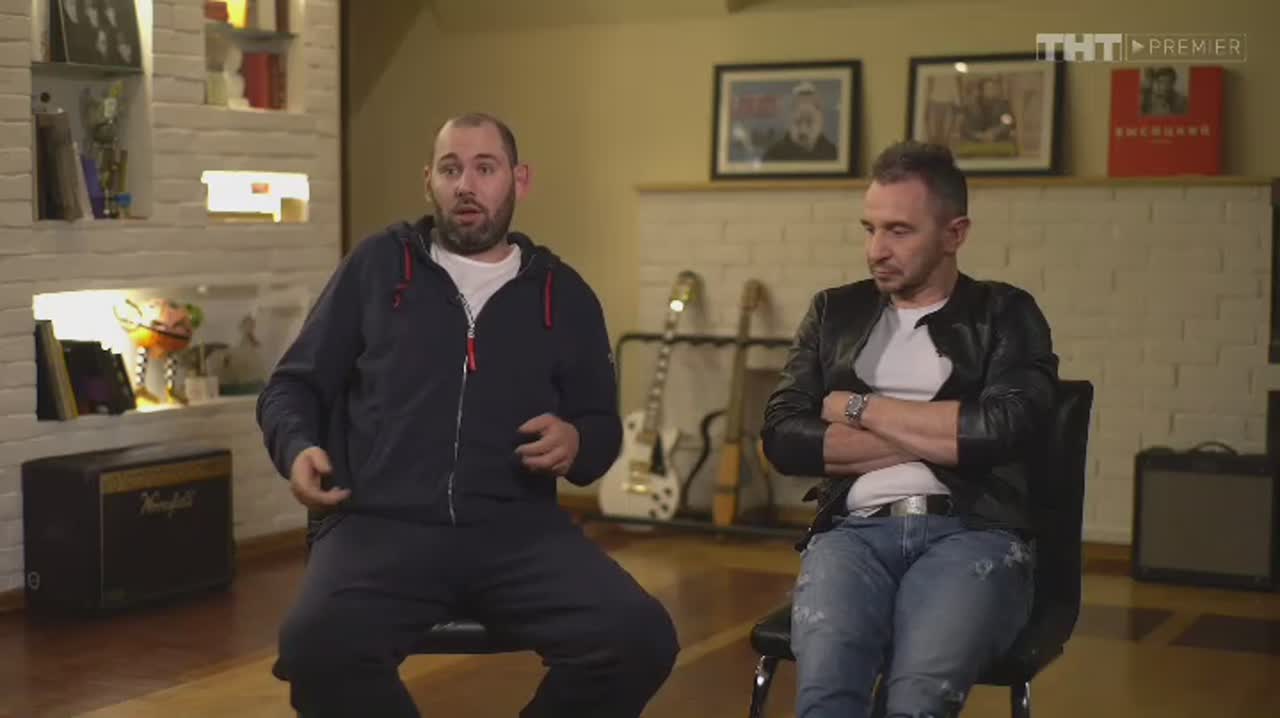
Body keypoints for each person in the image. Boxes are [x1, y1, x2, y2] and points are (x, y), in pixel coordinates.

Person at [257, 112, 679, 718]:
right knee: (315, 646)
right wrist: (297, 447)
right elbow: (291, 387)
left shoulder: (564, 294)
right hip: (377, 527)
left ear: (519, 180)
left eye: (485, 168)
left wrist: (577, 440)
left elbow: (601, 429)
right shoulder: (377, 267)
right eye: (451, 169)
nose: (466, 185)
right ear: (429, 181)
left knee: (638, 638)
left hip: (518, 533)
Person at [761, 140, 1059, 718]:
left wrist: (856, 407)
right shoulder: (833, 313)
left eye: (899, 231)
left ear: (954, 234)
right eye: (870, 229)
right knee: (826, 700)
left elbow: (1003, 430)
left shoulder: (1005, 312)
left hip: (972, 533)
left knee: (918, 700)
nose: (877, 250)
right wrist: (939, 435)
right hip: (852, 534)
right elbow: (783, 438)